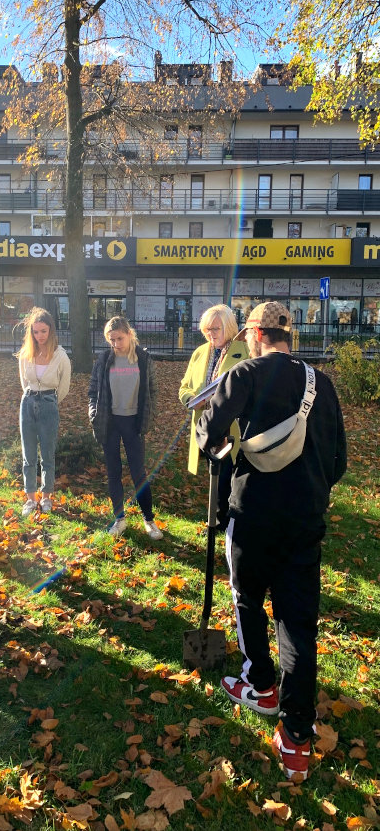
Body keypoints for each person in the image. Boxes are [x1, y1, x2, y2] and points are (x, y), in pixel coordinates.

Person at [195, 302, 347, 781]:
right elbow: (339, 459)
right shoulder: (323, 384)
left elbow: (208, 437)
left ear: (256, 333)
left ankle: (260, 683)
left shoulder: (243, 375)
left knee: (247, 599)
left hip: (253, 514)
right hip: (306, 519)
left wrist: (208, 431)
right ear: (290, 335)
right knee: (299, 625)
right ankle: (298, 737)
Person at [88, 315, 161, 540]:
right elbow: (93, 391)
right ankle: (119, 519)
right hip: (109, 422)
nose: (116, 344)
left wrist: (149, 415)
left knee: (139, 472)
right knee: (113, 472)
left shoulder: (143, 359)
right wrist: (93, 413)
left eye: (119, 338)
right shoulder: (104, 360)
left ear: (129, 334)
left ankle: (149, 520)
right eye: (111, 340)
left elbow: (153, 391)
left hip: (133, 422)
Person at [178, 304, 249, 529]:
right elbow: (184, 387)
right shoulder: (200, 352)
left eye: (215, 329)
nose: (210, 334)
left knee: (230, 473)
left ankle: (225, 521)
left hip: (233, 425)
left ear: (228, 327)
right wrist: (191, 399)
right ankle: (217, 518)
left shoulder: (244, 351)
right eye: (207, 329)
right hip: (206, 423)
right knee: (215, 474)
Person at [17, 308, 71, 517]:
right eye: (36, 331)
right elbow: (24, 381)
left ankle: (46, 496)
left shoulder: (61, 356)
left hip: (49, 403)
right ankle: (30, 498)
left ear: (51, 331)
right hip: (28, 402)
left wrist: (50, 401)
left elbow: (64, 386)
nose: (39, 336)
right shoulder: (25, 354)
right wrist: (32, 397)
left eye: (43, 331)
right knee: (28, 454)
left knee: (47, 454)